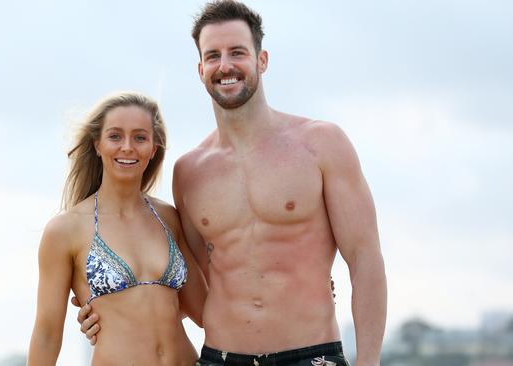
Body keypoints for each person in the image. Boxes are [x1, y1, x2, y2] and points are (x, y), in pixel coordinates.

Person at [77, 1, 387, 365]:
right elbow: (196, 286)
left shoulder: (321, 144)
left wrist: (368, 362)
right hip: (221, 357)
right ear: (200, 69)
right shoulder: (189, 171)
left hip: (311, 354)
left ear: (262, 60)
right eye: (213, 55)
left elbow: (365, 259)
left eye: (237, 52)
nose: (225, 66)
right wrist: (109, 310)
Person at [27, 91, 207, 366]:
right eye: (114, 136)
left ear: (153, 148)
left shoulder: (168, 218)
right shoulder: (65, 230)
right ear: (97, 145)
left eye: (139, 137)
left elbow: (203, 311)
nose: (127, 147)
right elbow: (47, 335)